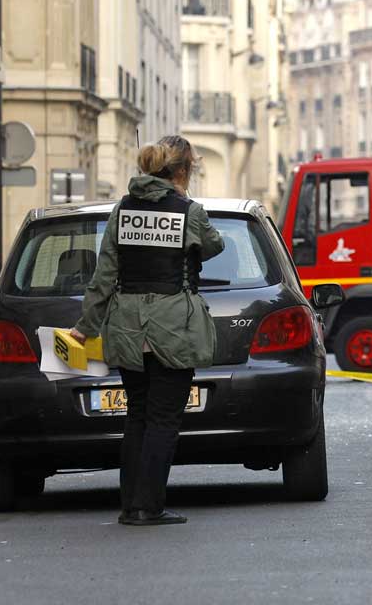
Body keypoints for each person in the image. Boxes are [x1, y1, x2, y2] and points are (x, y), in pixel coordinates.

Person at [70, 135, 224, 525]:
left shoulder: (123, 211)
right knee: (163, 419)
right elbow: (215, 246)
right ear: (183, 170)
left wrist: (85, 328)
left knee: (137, 415)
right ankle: (149, 506)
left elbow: (104, 276)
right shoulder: (188, 210)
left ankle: (130, 506)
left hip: (126, 328)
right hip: (172, 327)